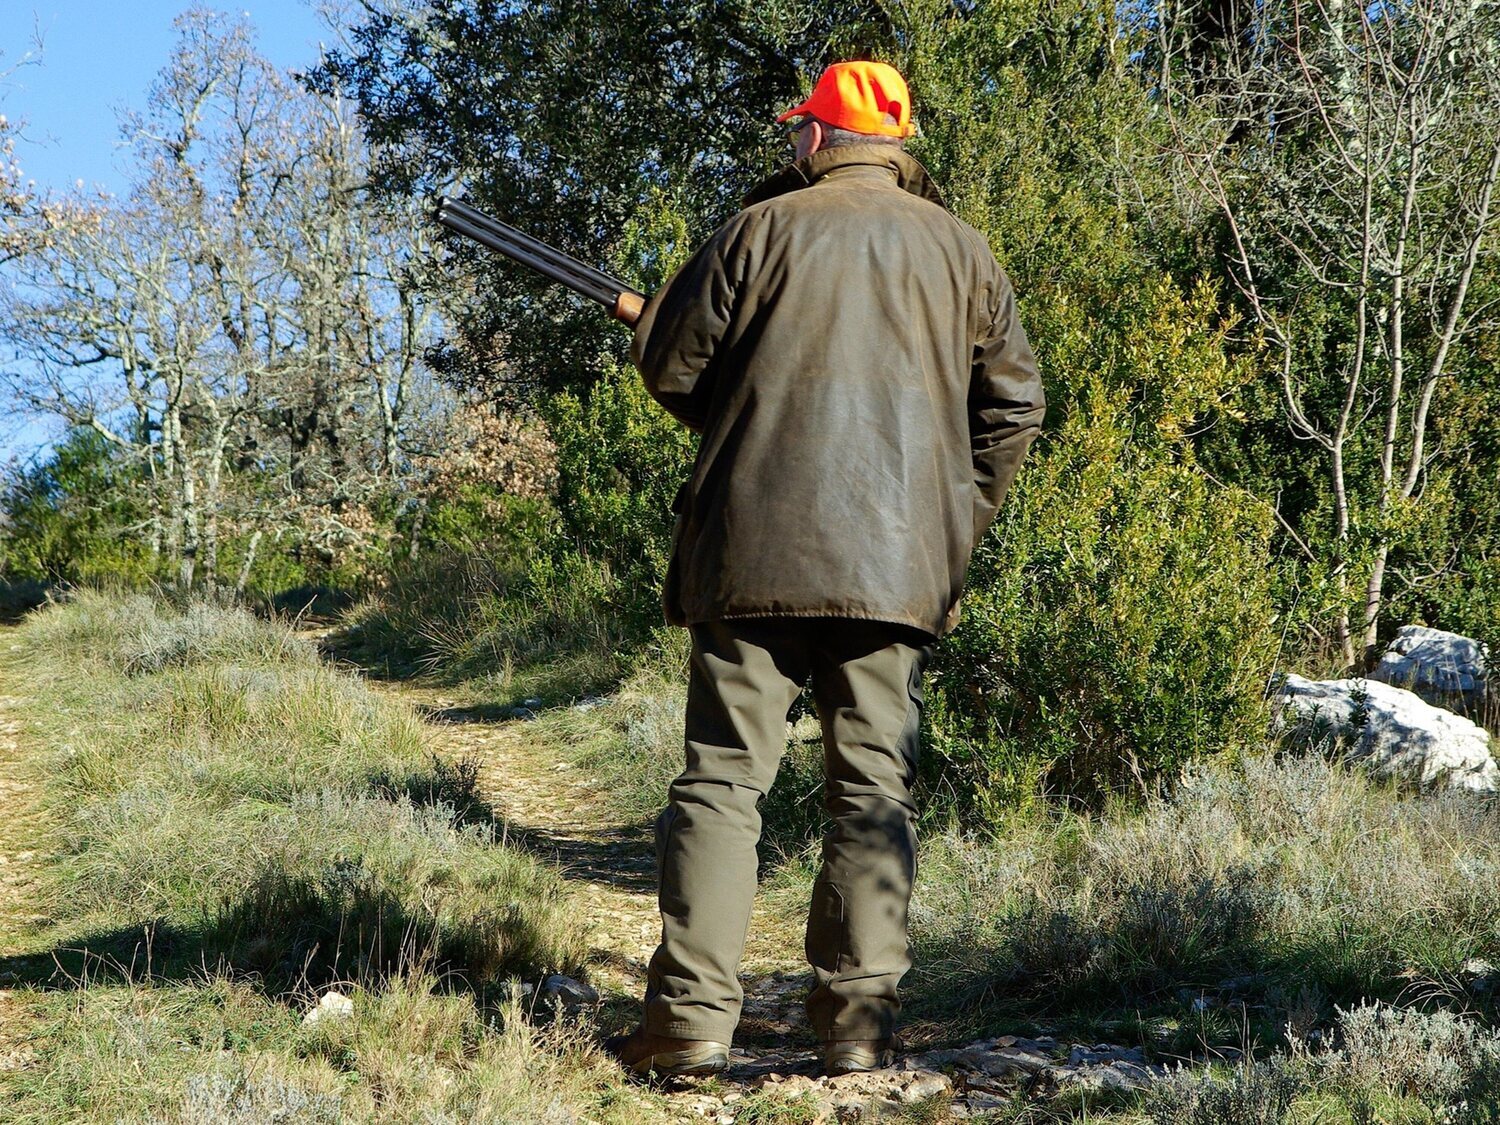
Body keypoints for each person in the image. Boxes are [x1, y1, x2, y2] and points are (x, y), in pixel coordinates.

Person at [608, 60, 1046, 1078]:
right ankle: (856, 1028)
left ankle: (687, 1031)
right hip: (900, 570)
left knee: (723, 784)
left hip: (749, 556)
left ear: (818, 137)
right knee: (871, 790)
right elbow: (1015, 409)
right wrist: (951, 520)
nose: (792, 140)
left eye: (798, 127)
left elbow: (677, 369)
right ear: (895, 145)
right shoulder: (964, 252)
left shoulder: (757, 232)